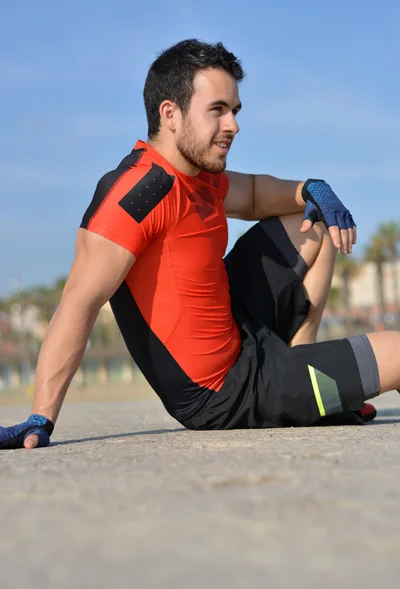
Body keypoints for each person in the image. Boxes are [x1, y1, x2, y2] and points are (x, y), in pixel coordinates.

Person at [1, 39, 400, 450]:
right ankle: (305, 387)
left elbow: (256, 194)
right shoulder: (139, 194)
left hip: (242, 331)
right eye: (218, 110)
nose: (233, 125)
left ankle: (307, 373)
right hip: (224, 391)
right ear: (170, 113)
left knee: (311, 219)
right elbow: (78, 303)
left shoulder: (198, 173)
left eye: (235, 111)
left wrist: (312, 188)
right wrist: (41, 415)